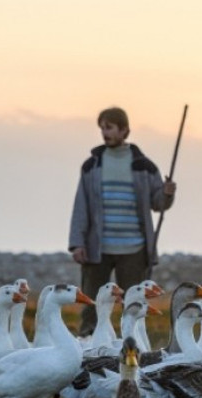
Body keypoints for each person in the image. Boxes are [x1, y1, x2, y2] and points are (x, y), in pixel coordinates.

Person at [68, 107, 176, 336]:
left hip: (134, 249)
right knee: (93, 304)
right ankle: (89, 345)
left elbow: (159, 204)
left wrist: (167, 193)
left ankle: (133, 343)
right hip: (98, 248)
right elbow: (81, 205)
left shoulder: (144, 166)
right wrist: (77, 243)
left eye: (109, 127)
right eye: (102, 128)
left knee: (134, 302)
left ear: (124, 130)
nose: (104, 133)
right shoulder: (92, 166)